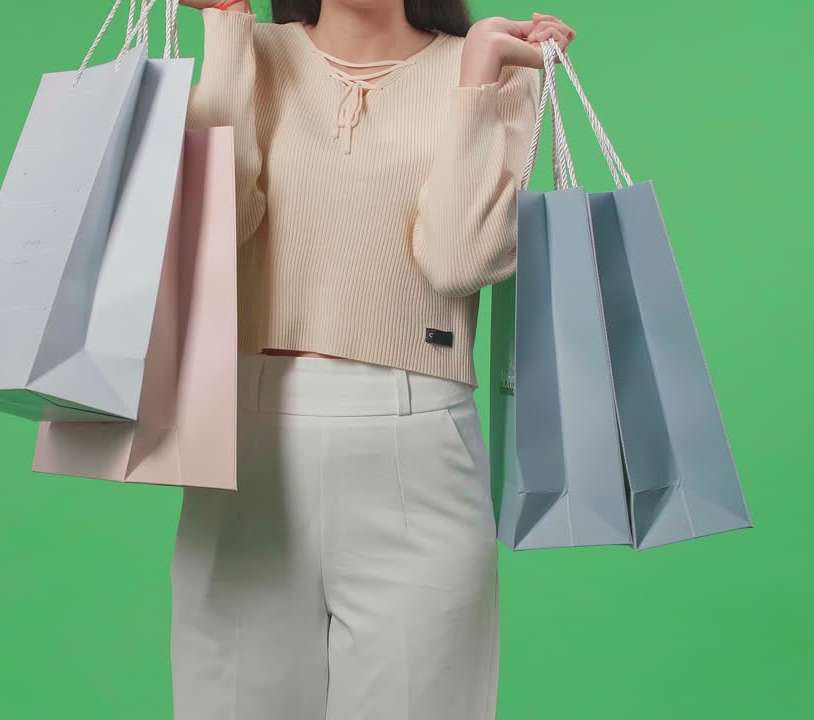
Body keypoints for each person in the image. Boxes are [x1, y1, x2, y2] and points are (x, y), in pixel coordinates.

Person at [171, 1, 576, 718]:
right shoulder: (252, 51)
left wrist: (477, 72)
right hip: (246, 448)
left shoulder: (495, 71)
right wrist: (227, 25)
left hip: (418, 453)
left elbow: (459, 259)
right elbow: (211, 226)